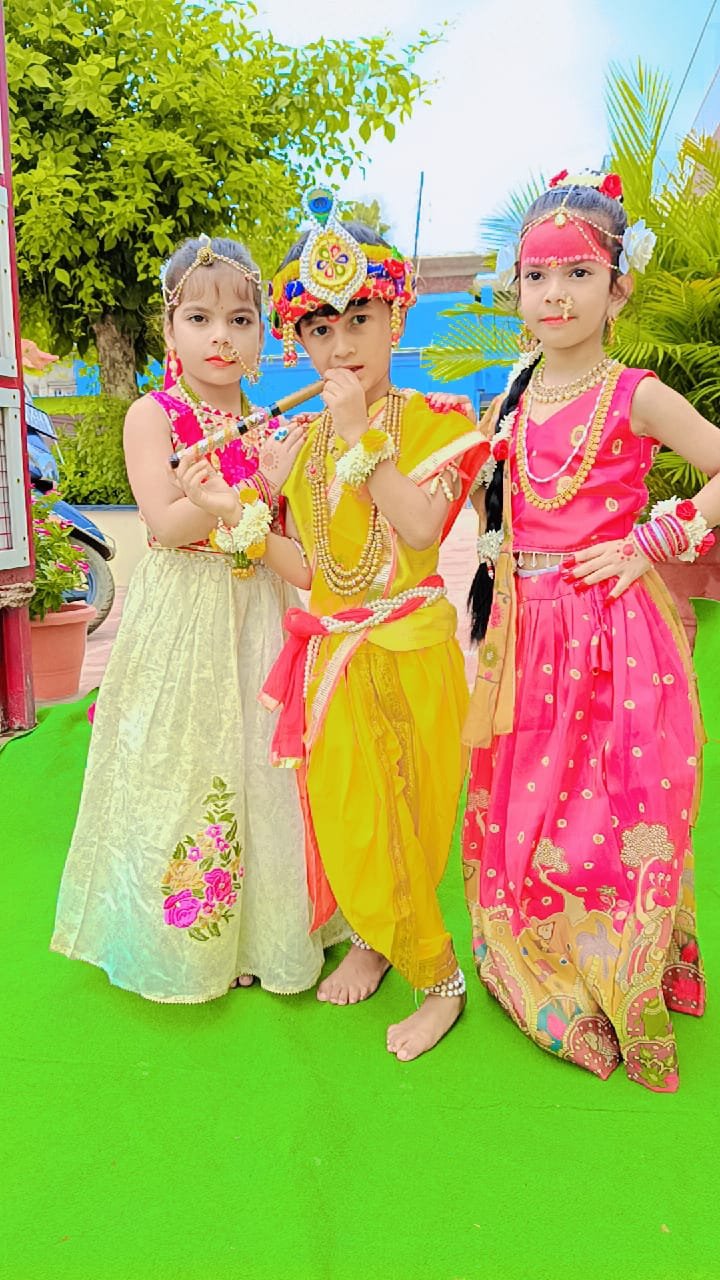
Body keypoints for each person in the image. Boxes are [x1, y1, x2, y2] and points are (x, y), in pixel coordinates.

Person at [462, 170, 720, 1092]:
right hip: (528, 635)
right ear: (516, 290)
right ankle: (552, 966)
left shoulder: (636, 394)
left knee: (619, 805)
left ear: (618, 288)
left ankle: (624, 967)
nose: (556, 294)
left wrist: (658, 539)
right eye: (538, 275)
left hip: (616, 630)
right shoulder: (512, 396)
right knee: (536, 806)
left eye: (578, 273)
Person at [51, 234, 345, 1002]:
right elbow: (164, 521)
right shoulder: (153, 415)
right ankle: (185, 943)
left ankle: (269, 933)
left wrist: (269, 488)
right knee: (184, 763)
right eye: (200, 319)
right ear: (169, 327)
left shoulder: (275, 427)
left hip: (263, 611)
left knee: (265, 767)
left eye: (241, 321)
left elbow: (295, 547)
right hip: (182, 612)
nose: (222, 337)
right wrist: (249, 491)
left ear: (262, 334)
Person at [252, 189, 489, 1061]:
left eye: (360, 320)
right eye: (321, 329)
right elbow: (313, 572)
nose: (342, 345)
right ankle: (381, 941)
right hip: (334, 658)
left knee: (410, 819)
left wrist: (362, 437)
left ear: (397, 318)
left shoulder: (438, 422)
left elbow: (422, 531)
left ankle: (439, 981)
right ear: (300, 342)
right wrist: (243, 514)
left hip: (410, 649)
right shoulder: (303, 444)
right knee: (352, 817)